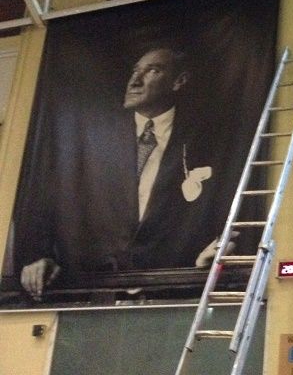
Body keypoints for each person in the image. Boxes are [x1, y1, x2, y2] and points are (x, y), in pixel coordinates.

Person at [19, 48, 225, 299]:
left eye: (152, 71)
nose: (135, 81)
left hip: (171, 290)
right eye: (135, 71)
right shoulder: (93, 137)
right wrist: (38, 254)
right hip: (94, 290)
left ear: (178, 81)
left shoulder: (206, 139)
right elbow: (50, 195)